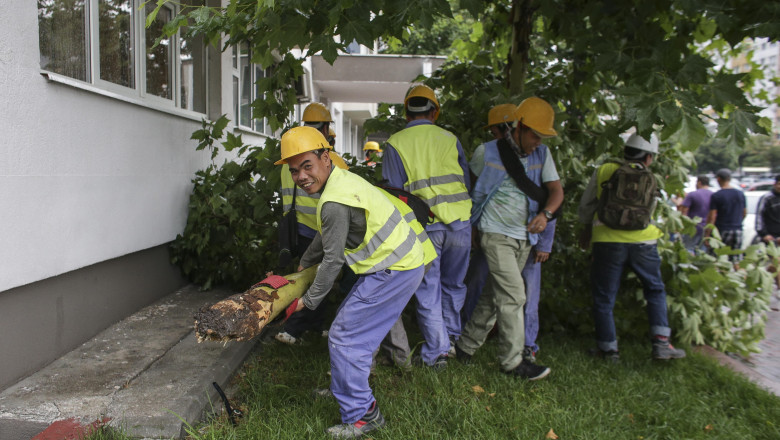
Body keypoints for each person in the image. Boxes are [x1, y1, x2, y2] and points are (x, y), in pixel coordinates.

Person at [277, 126, 426, 438]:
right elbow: (326, 235)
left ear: (325, 158)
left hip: (394, 268)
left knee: (345, 336)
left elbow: (333, 261)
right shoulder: (339, 181)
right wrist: (305, 263)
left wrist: (308, 301)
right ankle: (345, 389)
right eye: (294, 170)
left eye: (307, 166)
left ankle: (363, 415)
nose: (301, 176)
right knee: (351, 333)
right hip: (397, 263)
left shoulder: (333, 200)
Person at [454, 97, 563, 380]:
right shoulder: (487, 152)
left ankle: (465, 347)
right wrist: (472, 228)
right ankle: (513, 362)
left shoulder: (543, 154)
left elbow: (556, 191)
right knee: (514, 295)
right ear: (519, 127)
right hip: (494, 234)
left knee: (494, 296)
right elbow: (469, 191)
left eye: (542, 137)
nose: (538, 142)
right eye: (535, 135)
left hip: (525, 238)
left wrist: (546, 216)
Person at [382, 84, 472, 368]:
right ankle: (452, 340)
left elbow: (394, 193)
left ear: (406, 112)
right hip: (460, 223)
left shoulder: (396, 143)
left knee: (428, 290)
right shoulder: (450, 138)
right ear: (435, 112)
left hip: (425, 228)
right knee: (454, 285)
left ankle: (437, 353)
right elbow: (466, 181)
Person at [578, 133, 686, 362]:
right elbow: (650, 211)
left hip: (607, 241)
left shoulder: (605, 170)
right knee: (654, 290)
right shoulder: (650, 176)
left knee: (604, 297)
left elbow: (587, 204)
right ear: (649, 157)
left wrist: (586, 230)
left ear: (625, 150)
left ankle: (608, 350)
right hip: (644, 243)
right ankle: (661, 343)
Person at [276, 102, 348, 345]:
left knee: (307, 279)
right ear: (325, 128)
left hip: (298, 231)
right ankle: (292, 329)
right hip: (322, 232)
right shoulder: (332, 161)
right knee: (317, 281)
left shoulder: (289, 160)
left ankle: (314, 326)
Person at [705, 168, 746, 261]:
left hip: (721, 230)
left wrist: (707, 234)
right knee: (736, 260)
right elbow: (744, 213)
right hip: (737, 230)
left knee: (715, 258)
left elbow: (712, 217)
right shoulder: (740, 194)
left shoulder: (717, 196)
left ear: (718, 179)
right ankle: (739, 271)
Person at [679, 176, 713, 253]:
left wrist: (682, 226)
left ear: (699, 182)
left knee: (688, 248)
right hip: (707, 228)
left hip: (692, 227)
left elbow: (684, 212)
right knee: (702, 251)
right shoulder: (713, 195)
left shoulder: (692, 195)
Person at [756, 175, 780, 245]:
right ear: (775, 184)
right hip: (770, 238)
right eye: (779, 184)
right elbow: (759, 217)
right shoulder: (767, 198)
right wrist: (764, 234)